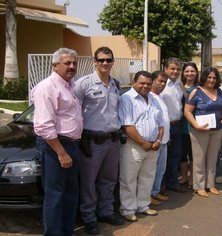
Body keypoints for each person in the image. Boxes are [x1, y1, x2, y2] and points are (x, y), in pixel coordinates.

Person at [32, 48, 83, 236]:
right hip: (56, 146)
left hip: (72, 144)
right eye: (67, 63)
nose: (71, 66)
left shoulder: (70, 85)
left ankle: (67, 231)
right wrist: (61, 153)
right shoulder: (47, 87)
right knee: (55, 195)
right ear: (54, 66)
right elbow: (44, 126)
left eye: (74, 63)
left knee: (70, 194)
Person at [74, 46, 124, 235]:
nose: (105, 63)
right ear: (94, 61)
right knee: (89, 181)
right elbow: (73, 111)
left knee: (109, 180)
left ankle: (106, 212)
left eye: (108, 60)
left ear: (112, 62)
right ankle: (89, 217)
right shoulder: (84, 84)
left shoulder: (115, 84)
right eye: (101, 60)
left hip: (112, 141)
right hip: (91, 142)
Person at [119, 71, 164, 222]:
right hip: (134, 146)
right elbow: (127, 125)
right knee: (129, 179)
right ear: (134, 81)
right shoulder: (127, 99)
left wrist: (158, 140)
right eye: (142, 83)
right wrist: (143, 143)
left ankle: (143, 206)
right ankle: (128, 209)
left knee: (147, 177)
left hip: (152, 146)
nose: (145, 86)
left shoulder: (153, 99)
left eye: (148, 84)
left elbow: (160, 123)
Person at [184, 67, 222, 197]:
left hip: (216, 130)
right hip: (200, 131)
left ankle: (211, 184)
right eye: (209, 77)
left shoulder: (219, 91)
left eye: (214, 78)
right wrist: (196, 126)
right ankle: (199, 186)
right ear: (204, 78)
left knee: (212, 158)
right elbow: (187, 112)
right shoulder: (196, 92)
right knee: (199, 159)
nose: (211, 80)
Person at [160, 57, 186, 193]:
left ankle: (172, 183)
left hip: (178, 125)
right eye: (172, 69)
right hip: (165, 126)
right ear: (165, 69)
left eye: (178, 69)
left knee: (175, 156)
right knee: (163, 158)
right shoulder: (162, 85)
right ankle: (161, 186)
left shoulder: (179, 85)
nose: (175, 72)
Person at [150, 71, 170, 206]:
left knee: (161, 169)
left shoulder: (159, 97)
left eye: (164, 82)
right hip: (155, 141)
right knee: (151, 170)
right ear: (152, 81)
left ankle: (155, 192)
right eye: (160, 81)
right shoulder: (149, 97)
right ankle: (148, 194)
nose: (162, 84)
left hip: (164, 140)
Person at [179, 62, 199, 188]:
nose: (189, 73)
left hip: (195, 124)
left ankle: (192, 178)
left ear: (196, 73)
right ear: (183, 73)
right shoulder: (178, 86)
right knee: (182, 153)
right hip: (180, 124)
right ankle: (184, 177)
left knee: (193, 153)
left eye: (192, 71)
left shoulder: (200, 88)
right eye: (187, 71)